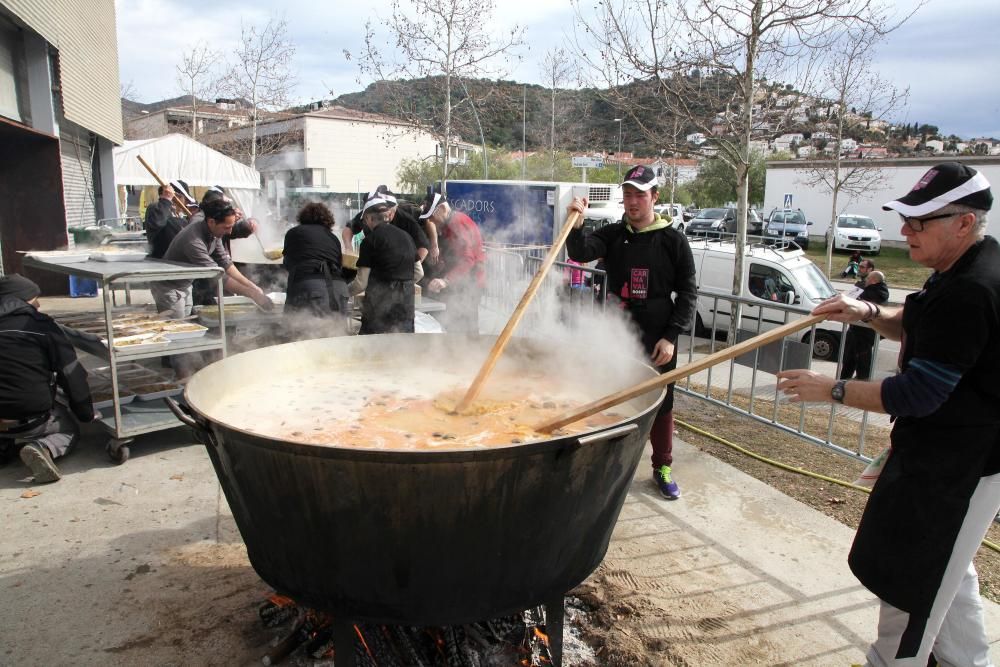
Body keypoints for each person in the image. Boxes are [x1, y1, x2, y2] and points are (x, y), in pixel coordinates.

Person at [776, 162, 1000, 666]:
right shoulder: (958, 270)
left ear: (963, 222)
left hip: (959, 469)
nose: (905, 232)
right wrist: (867, 312)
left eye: (919, 223)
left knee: (914, 588)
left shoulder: (974, 288)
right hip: (937, 455)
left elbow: (920, 393)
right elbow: (918, 324)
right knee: (951, 576)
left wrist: (828, 388)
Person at [565, 165, 697, 501]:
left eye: (640, 194)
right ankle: (605, 463)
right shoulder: (612, 234)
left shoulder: (673, 240)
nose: (633, 201)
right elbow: (579, 253)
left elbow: (688, 293)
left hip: (657, 333)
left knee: (662, 403)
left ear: (655, 196)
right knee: (610, 391)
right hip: (616, 327)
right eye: (627, 194)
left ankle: (662, 466)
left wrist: (671, 336)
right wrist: (576, 225)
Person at [0, 274, 96, 483]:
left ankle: (4, 445)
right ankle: (42, 448)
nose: (39, 304)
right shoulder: (41, 326)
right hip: (29, 416)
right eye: (35, 299)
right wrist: (85, 413)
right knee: (69, 431)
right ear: (24, 300)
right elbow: (71, 374)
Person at [151, 198, 273, 320]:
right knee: (176, 328)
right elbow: (218, 276)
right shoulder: (193, 241)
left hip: (186, 284)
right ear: (211, 222)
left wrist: (252, 286)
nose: (230, 231)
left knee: (185, 323)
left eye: (231, 226)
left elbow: (225, 263)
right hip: (169, 287)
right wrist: (252, 294)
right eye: (226, 227)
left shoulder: (213, 232)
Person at [348, 193, 417, 334]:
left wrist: (344, 292)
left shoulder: (370, 241)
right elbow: (419, 272)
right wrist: (403, 285)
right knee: (405, 349)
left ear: (368, 218)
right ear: (387, 216)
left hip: (379, 310)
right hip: (406, 306)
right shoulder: (407, 237)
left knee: (373, 350)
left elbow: (361, 283)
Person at [421, 193, 487, 334]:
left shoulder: (458, 223)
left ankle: (470, 352)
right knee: (456, 323)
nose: (431, 221)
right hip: (461, 282)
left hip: (470, 283)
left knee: (466, 326)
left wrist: (445, 280)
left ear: (442, 208)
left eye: (432, 217)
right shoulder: (449, 224)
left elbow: (467, 260)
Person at [343, 186, 430, 282]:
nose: (387, 216)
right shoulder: (370, 212)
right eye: (383, 211)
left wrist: (408, 270)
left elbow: (424, 246)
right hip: (373, 266)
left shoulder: (407, 221)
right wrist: (348, 247)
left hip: (396, 270)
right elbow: (349, 229)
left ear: (395, 209)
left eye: (391, 212)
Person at [282, 202, 349, 325]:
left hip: (310, 289)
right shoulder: (333, 238)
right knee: (337, 337)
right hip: (339, 290)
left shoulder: (294, 233)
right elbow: (339, 265)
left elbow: (288, 264)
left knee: (300, 336)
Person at [839, 268, 889, 380]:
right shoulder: (876, 290)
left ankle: (859, 382)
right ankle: (844, 380)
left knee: (861, 360)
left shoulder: (873, 293)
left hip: (864, 333)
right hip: (859, 331)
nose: (865, 280)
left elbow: (855, 303)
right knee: (851, 358)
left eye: (868, 278)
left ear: (874, 281)